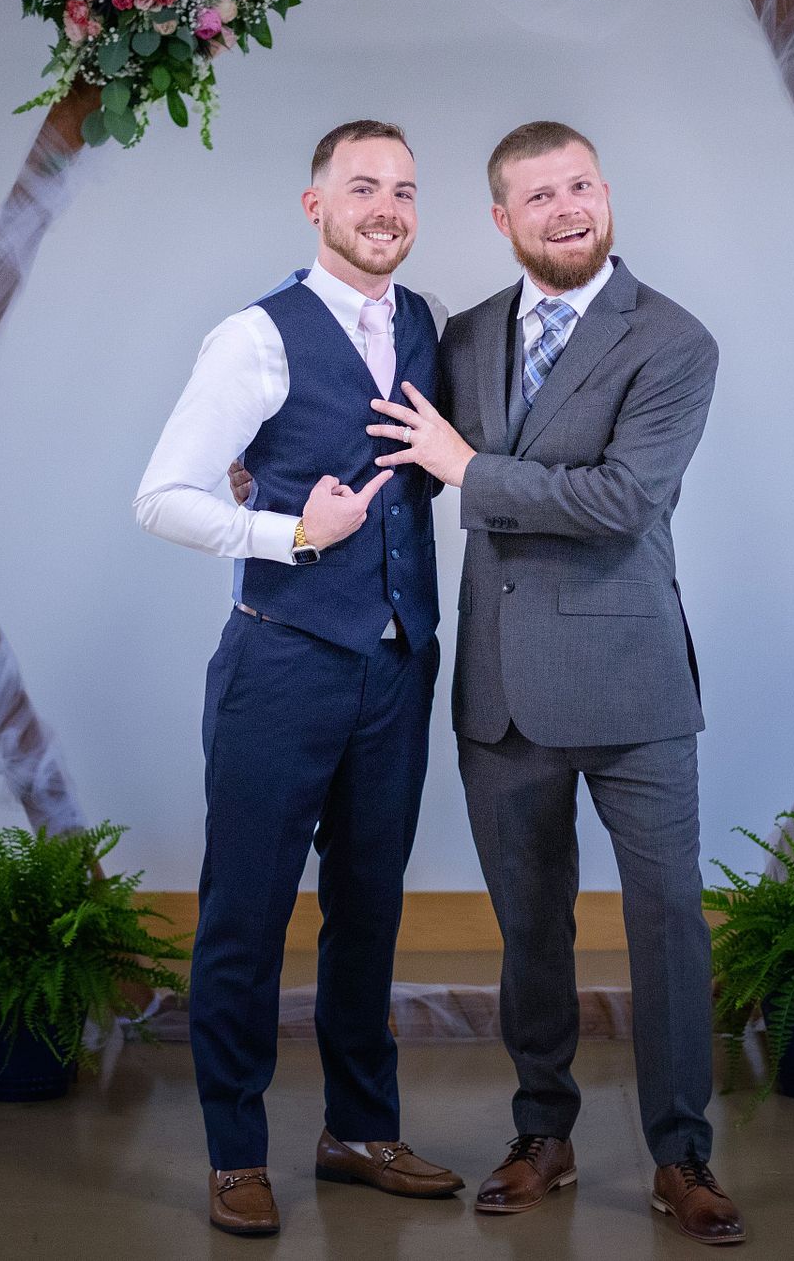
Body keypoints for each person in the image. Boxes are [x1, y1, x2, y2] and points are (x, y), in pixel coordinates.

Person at [364, 121, 746, 1246]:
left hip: (632, 688)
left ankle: (682, 1155)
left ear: (605, 194)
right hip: (500, 689)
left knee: (667, 922)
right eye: (540, 196)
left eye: (580, 185)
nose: (567, 208)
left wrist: (472, 470)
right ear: (502, 220)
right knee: (528, 927)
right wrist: (265, 467)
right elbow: (398, 454)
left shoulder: (675, 341)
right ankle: (545, 1133)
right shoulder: (467, 333)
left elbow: (624, 502)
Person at [135, 120, 462, 1237]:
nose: (387, 207)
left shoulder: (422, 323)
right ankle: (237, 1151)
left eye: (406, 190)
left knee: (368, 912)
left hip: (397, 669)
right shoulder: (254, 337)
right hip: (280, 662)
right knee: (247, 913)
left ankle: (359, 1129)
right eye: (362, 187)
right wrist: (290, 532)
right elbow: (164, 496)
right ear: (314, 204)